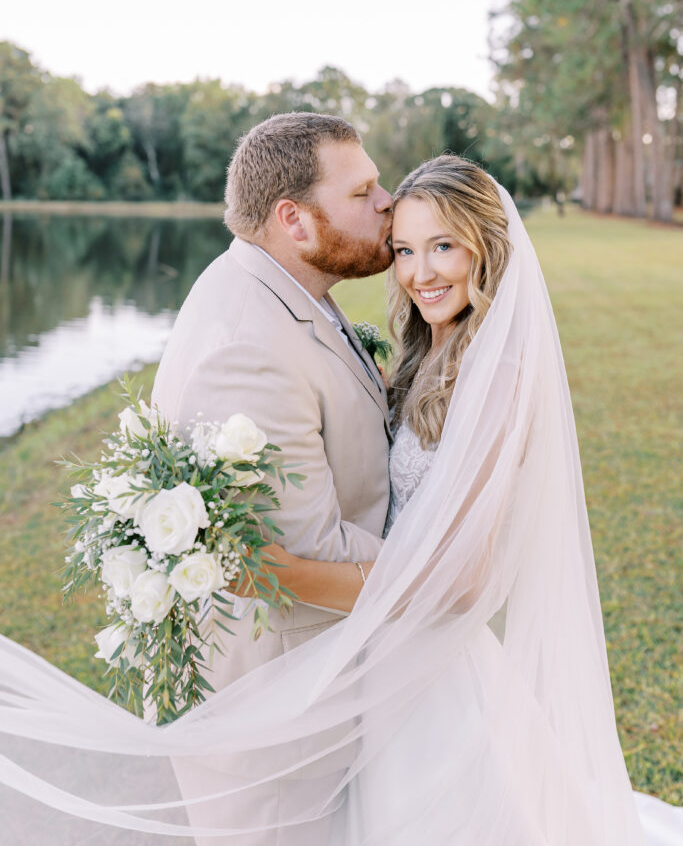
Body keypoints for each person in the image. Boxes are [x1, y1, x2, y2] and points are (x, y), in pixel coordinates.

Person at [1, 150, 681, 846]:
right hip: (386, 672)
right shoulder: (425, 353)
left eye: (444, 247)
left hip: (432, 680)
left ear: (487, 247)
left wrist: (280, 573)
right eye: (407, 248)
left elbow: (462, 577)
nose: (420, 273)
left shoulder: (496, 372)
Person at [151, 111, 394, 843]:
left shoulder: (285, 293)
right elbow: (306, 558)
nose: (388, 202)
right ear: (294, 219)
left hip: (318, 695)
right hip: (281, 728)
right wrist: (452, 561)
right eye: (364, 192)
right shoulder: (248, 345)